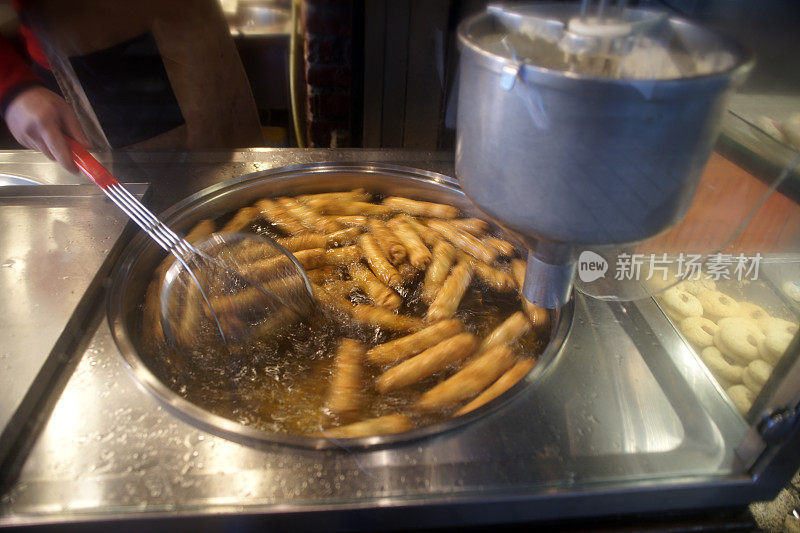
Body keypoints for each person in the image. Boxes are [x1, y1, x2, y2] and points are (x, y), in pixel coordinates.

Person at [0, 0, 263, 173]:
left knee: (242, 177)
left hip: (200, 29)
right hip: (104, 57)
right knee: (161, 203)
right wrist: (12, 86)